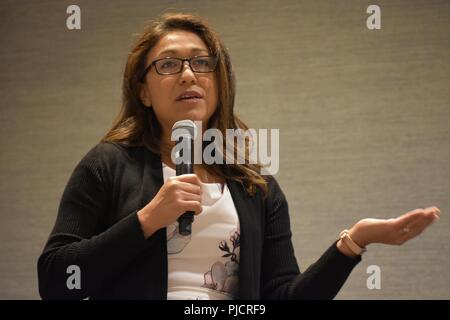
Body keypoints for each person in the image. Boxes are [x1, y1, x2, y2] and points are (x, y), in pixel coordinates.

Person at [37, 13, 440, 300]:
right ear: (142, 91)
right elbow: (57, 279)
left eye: (201, 62)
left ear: (219, 82)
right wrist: (147, 219)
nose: (188, 74)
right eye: (168, 64)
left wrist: (353, 242)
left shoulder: (257, 189)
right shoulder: (106, 164)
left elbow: (282, 295)